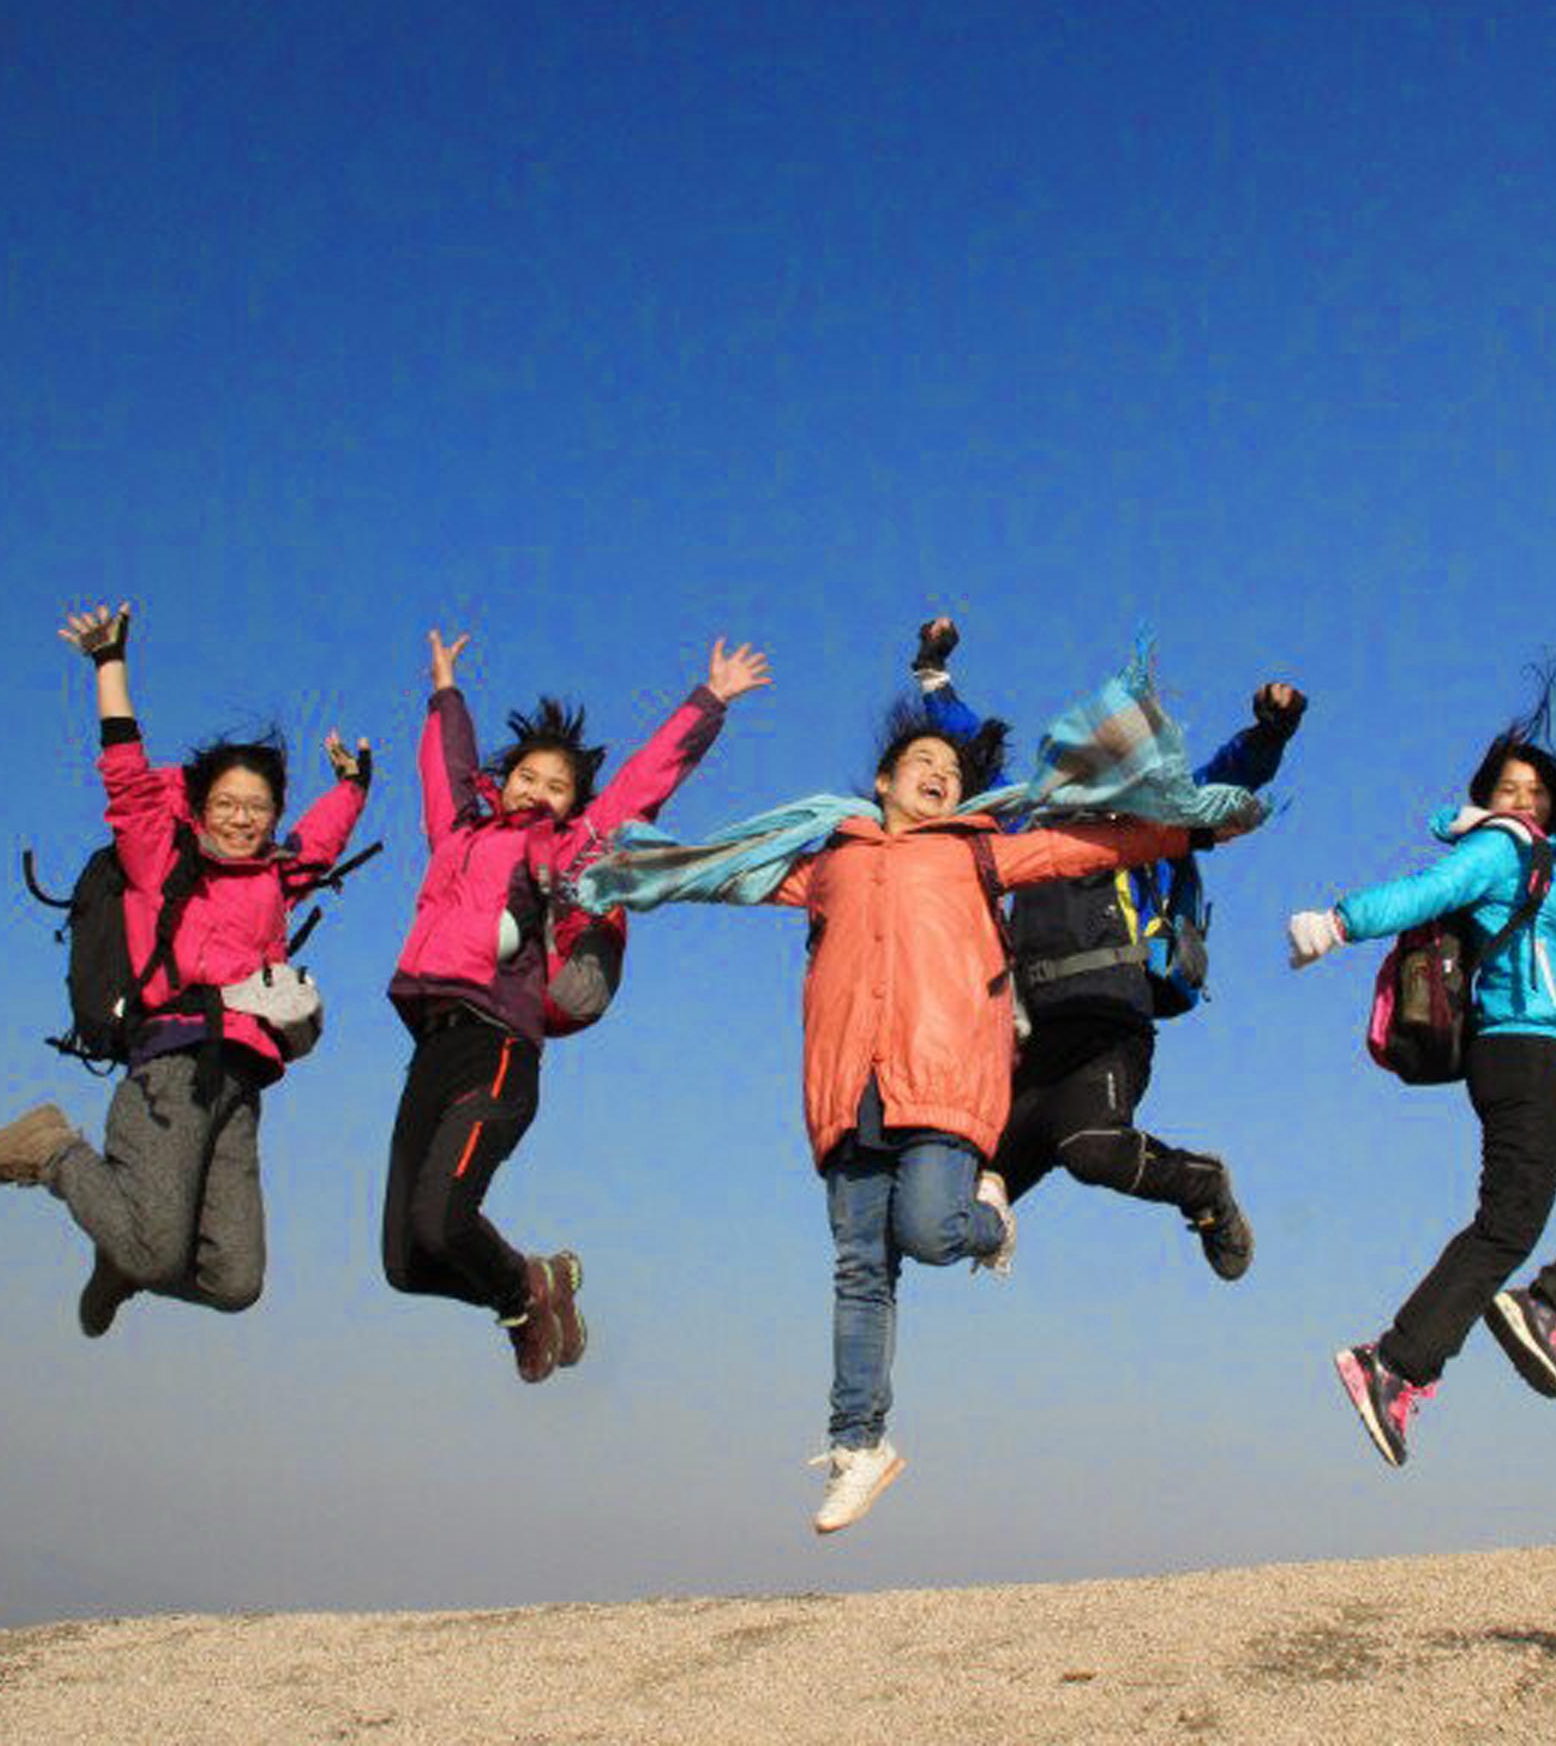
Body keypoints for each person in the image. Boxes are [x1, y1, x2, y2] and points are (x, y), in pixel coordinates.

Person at [577, 651, 1264, 1534]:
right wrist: (632, 870)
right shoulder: (831, 863)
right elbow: (725, 872)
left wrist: (1191, 834)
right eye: (921, 764)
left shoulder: (977, 854)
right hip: (847, 1087)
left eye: (950, 769)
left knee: (933, 1230)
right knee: (861, 1269)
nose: (938, 775)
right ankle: (857, 1445)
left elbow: (1081, 844)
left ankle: (994, 1224)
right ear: (882, 782)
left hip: (941, 1081)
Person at [1288, 692, 1556, 1467]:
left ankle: (1544, 1308)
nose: (1523, 800)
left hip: (1548, 1062)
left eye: (1536, 792)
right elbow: (1425, 892)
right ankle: (1395, 1363)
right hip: (1516, 1050)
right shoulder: (1497, 851)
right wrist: (1337, 923)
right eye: (1509, 789)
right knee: (1509, 1223)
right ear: (1486, 798)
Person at [0, 603, 369, 1338]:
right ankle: (49, 1150)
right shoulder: (161, 858)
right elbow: (126, 778)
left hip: (243, 1084)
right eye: (226, 804)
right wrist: (109, 665)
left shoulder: (274, 878)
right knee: (154, 1247)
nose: (242, 818)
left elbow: (320, 844)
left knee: (235, 1282)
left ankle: (122, 1260)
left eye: (258, 807)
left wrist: (354, 788)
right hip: (173, 1068)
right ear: (200, 808)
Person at [381, 629, 769, 1383]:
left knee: (443, 1221)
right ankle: (536, 1288)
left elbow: (640, 785)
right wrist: (445, 693)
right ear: (502, 782)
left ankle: (526, 1290)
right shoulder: (458, 832)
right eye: (526, 776)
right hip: (429, 1047)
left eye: (556, 785)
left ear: (572, 803)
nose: (536, 790)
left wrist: (710, 700)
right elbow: (445, 768)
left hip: (497, 1044)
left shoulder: (567, 847)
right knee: (407, 1262)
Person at [907, 617, 1300, 1277]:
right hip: (1033, 1039)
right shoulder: (1028, 820)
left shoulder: (1149, 822)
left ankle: (1205, 1186)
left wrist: (1270, 732)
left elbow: (1226, 778)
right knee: (957, 1198)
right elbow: (974, 748)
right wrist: (933, 674)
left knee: (1090, 1149)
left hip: (1110, 1024)